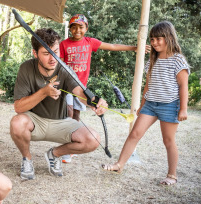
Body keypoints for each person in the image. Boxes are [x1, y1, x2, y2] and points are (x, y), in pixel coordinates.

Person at [10, 28, 108, 180]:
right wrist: (44, 92)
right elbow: (18, 107)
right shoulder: (26, 68)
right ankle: (27, 159)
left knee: (93, 139)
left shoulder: (64, 69)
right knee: (17, 123)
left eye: (55, 51)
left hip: (61, 122)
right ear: (35, 53)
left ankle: (54, 154)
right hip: (35, 121)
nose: (53, 58)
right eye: (46, 53)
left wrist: (95, 101)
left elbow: (80, 92)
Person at [102, 21, 190, 186]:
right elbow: (148, 84)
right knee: (134, 134)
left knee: (168, 140)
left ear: (169, 38)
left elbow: (183, 86)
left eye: (159, 39)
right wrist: (142, 104)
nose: (155, 43)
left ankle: (172, 175)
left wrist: (183, 109)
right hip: (150, 104)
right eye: (152, 39)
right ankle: (119, 165)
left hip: (169, 105)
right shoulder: (152, 61)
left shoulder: (178, 60)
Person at [60, 14, 150, 163]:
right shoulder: (64, 44)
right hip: (67, 86)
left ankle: (71, 148)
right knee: (68, 114)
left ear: (86, 28)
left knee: (76, 115)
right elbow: (59, 64)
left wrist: (135, 48)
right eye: (73, 27)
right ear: (70, 29)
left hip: (81, 88)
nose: (77, 30)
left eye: (81, 27)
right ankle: (64, 150)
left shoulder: (90, 42)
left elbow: (113, 46)